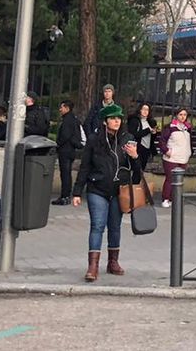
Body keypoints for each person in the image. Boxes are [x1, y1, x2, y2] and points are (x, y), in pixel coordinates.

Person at [71, 104, 139, 282]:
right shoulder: (94, 140)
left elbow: (137, 173)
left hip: (119, 190)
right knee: (97, 226)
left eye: (119, 118)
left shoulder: (127, 138)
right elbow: (85, 166)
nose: (117, 121)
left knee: (115, 227)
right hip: (97, 188)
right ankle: (93, 266)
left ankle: (113, 262)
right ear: (105, 121)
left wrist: (135, 157)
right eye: (112, 118)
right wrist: (77, 192)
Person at [158, 108, 192, 208]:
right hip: (171, 158)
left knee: (179, 180)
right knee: (170, 179)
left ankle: (174, 198)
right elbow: (162, 141)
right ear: (176, 115)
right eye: (180, 114)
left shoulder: (188, 128)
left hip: (183, 157)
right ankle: (165, 198)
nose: (183, 117)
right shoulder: (170, 127)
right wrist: (167, 151)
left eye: (185, 115)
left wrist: (189, 153)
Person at [53, 101, 84, 206]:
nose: (60, 109)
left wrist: (58, 144)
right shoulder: (73, 119)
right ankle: (66, 195)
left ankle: (65, 196)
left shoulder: (67, 121)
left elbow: (65, 135)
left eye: (61, 107)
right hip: (70, 150)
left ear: (67, 108)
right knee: (67, 174)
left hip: (65, 150)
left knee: (65, 174)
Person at [127, 103, 158, 172]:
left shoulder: (150, 122)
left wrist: (154, 133)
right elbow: (133, 134)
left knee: (142, 169)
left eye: (147, 110)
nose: (145, 111)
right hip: (138, 148)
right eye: (143, 109)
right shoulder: (135, 120)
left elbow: (152, 138)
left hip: (147, 148)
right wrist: (147, 130)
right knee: (136, 169)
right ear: (139, 110)